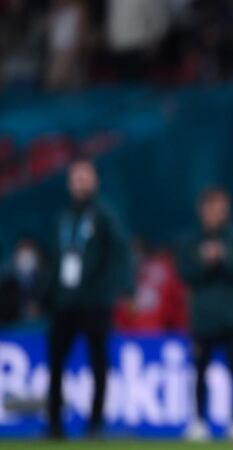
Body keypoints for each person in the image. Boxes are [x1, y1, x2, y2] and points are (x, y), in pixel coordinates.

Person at [47, 158, 132, 439]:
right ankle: (54, 425)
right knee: (56, 362)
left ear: (95, 181)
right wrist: (47, 294)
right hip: (65, 302)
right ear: (69, 183)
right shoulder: (62, 218)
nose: (80, 183)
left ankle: (95, 424)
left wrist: (120, 288)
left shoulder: (105, 216)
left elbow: (120, 253)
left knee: (98, 362)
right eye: (75, 178)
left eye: (85, 178)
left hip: (95, 301)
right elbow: (54, 259)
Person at [179, 187, 233, 441]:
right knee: (199, 371)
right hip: (203, 316)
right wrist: (204, 262)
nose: (218, 213)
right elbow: (186, 274)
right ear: (203, 210)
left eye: (222, 207)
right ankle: (198, 421)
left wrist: (223, 257)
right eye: (213, 207)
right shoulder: (190, 239)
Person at [0, 238, 49, 326]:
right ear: (15, 256)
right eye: (23, 252)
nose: (26, 258)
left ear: (38, 256)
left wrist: (40, 310)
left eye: (30, 252)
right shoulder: (5, 286)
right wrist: (21, 311)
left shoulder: (47, 284)